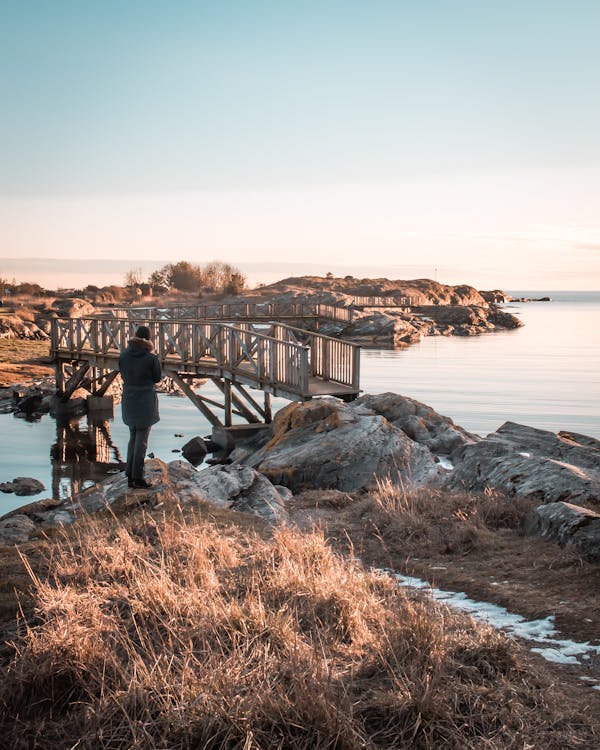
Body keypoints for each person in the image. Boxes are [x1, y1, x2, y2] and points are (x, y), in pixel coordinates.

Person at [118, 325, 162, 489]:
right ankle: (137, 478)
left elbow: (123, 374)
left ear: (135, 337)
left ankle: (130, 473)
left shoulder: (123, 356)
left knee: (133, 437)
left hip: (129, 399)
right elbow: (157, 378)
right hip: (145, 401)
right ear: (148, 340)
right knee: (142, 441)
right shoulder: (151, 359)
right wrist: (155, 359)